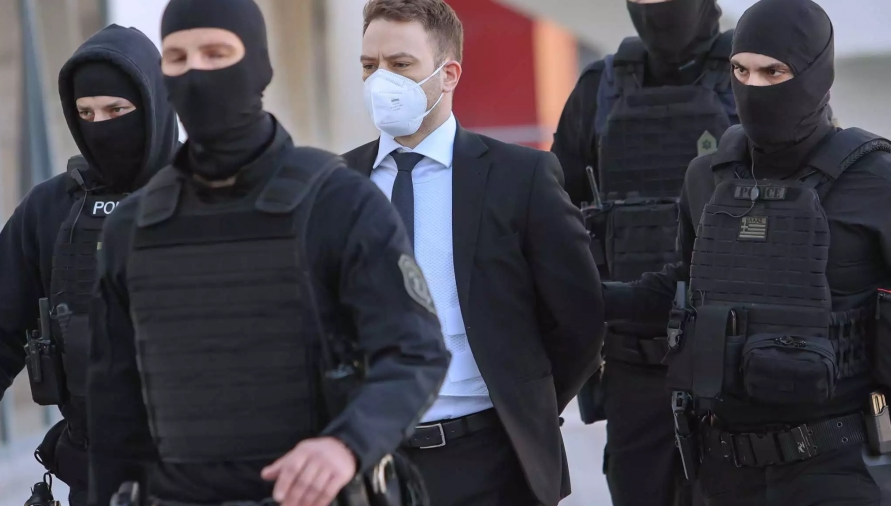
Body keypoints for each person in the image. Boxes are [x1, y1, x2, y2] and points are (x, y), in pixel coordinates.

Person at [85, 1, 449, 506]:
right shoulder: (133, 227)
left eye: (216, 53)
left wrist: (347, 445)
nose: (196, 74)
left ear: (258, 64)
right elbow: (113, 409)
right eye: (177, 58)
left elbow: (415, 354)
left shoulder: (337, 201)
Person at [604, 0, 891, 504]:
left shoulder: (876, 180)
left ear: (815, 74)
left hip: (839, 470)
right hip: (723, 472)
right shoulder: (707, 176)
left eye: (773, 72)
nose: (754, 87)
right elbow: (681, 288)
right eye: (741, 70)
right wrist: (582, 295)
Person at [343, 1, 606, 505]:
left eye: (400, 64)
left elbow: (579, 319)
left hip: (491, 460)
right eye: (369, 65)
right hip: (372, 467)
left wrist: (525, 402)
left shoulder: (520, 178)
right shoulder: (336, 184)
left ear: (448, 75)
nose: (381, 81)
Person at [550, 1, 736, 505]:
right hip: (633, 368)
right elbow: (550, 220)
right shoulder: (598, 89)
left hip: (735, 367)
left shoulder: (755, 74)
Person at [0, 25, 179, 506]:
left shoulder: (210, 195)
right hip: (93, 478)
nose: (101, 127)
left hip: (204, 479)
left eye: (117, 111)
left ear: (154, 105)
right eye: (86, 113)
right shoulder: (51, 208)